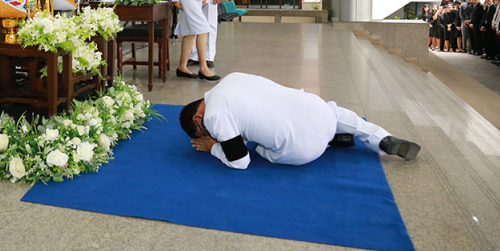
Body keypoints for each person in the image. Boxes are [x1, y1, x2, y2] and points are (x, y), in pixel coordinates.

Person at [179, 72, 421, 169]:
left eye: (204, 132)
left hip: (304, 148)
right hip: (317, 110)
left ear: (198, 117)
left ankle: (328, 142)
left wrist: (214, 148)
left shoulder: (213, 115)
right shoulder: (231, 78)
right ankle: (381, 138)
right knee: (335, 112)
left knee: (260, 148)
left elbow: (241, 161)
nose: (210, 135)